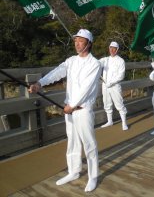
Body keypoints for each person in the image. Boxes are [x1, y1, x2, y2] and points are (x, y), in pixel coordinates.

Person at [28, 29, 101, 192]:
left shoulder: (95, 64)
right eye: (75, 41)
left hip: (82, 110)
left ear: (89, 43)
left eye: (80, 41)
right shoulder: (71, 61)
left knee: (89, 143)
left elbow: (86, 89)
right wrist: (40, 83)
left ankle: (93, 176)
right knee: (72, 141)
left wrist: (72, 105)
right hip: (70, 109)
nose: (77, 44)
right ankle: (74, 171)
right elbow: (57, 72)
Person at [99, 41, 128, 130]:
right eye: (110, 48)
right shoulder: (105, 60)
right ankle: (110, 121)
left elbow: (121, 75)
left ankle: (124, 123)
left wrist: (111, 82)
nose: (112, 50)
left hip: (115, 86)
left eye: (114, 48)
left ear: (117, 50)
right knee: (107, 103)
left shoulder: (121, 61)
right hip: (105, 85)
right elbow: (96, 63)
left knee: (119, 103)